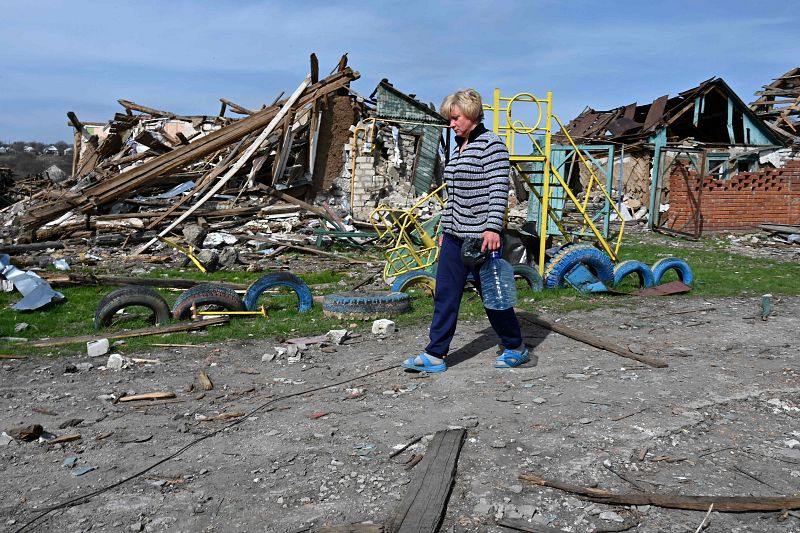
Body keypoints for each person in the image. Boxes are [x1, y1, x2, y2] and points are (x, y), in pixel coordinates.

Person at [401, 89, 529, 373]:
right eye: (450, 118)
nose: (451, 124)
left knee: (492, 296)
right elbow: (453, 195)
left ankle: (515, 347)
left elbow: (498, 190)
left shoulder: (491, 145)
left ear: (471, 114)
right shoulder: (459, 147)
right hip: (454, 236)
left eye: (455, 118)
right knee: (445, 294)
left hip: (482, 237)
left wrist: (492, 228)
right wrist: (445, 229)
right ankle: (435, 354)